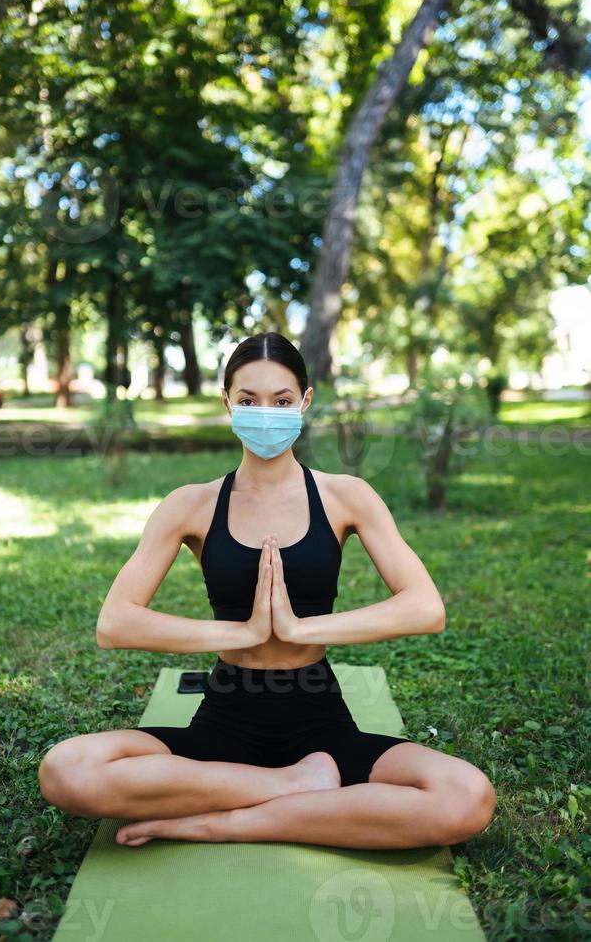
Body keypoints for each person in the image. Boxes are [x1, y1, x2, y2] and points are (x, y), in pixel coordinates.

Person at [38, 331, 496, 850]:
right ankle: (292, 789)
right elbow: (115, 623)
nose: (266, 414)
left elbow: (425, 608)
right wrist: (244, 632)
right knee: (67, 770)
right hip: (225, 718)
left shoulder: (347, 496)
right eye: (249, 400)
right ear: (227, 404)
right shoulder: (189, 504)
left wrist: (301, 627)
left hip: (320, 722)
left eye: (281, 401)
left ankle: (221, 822)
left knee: (466, 796)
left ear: (304, 402)